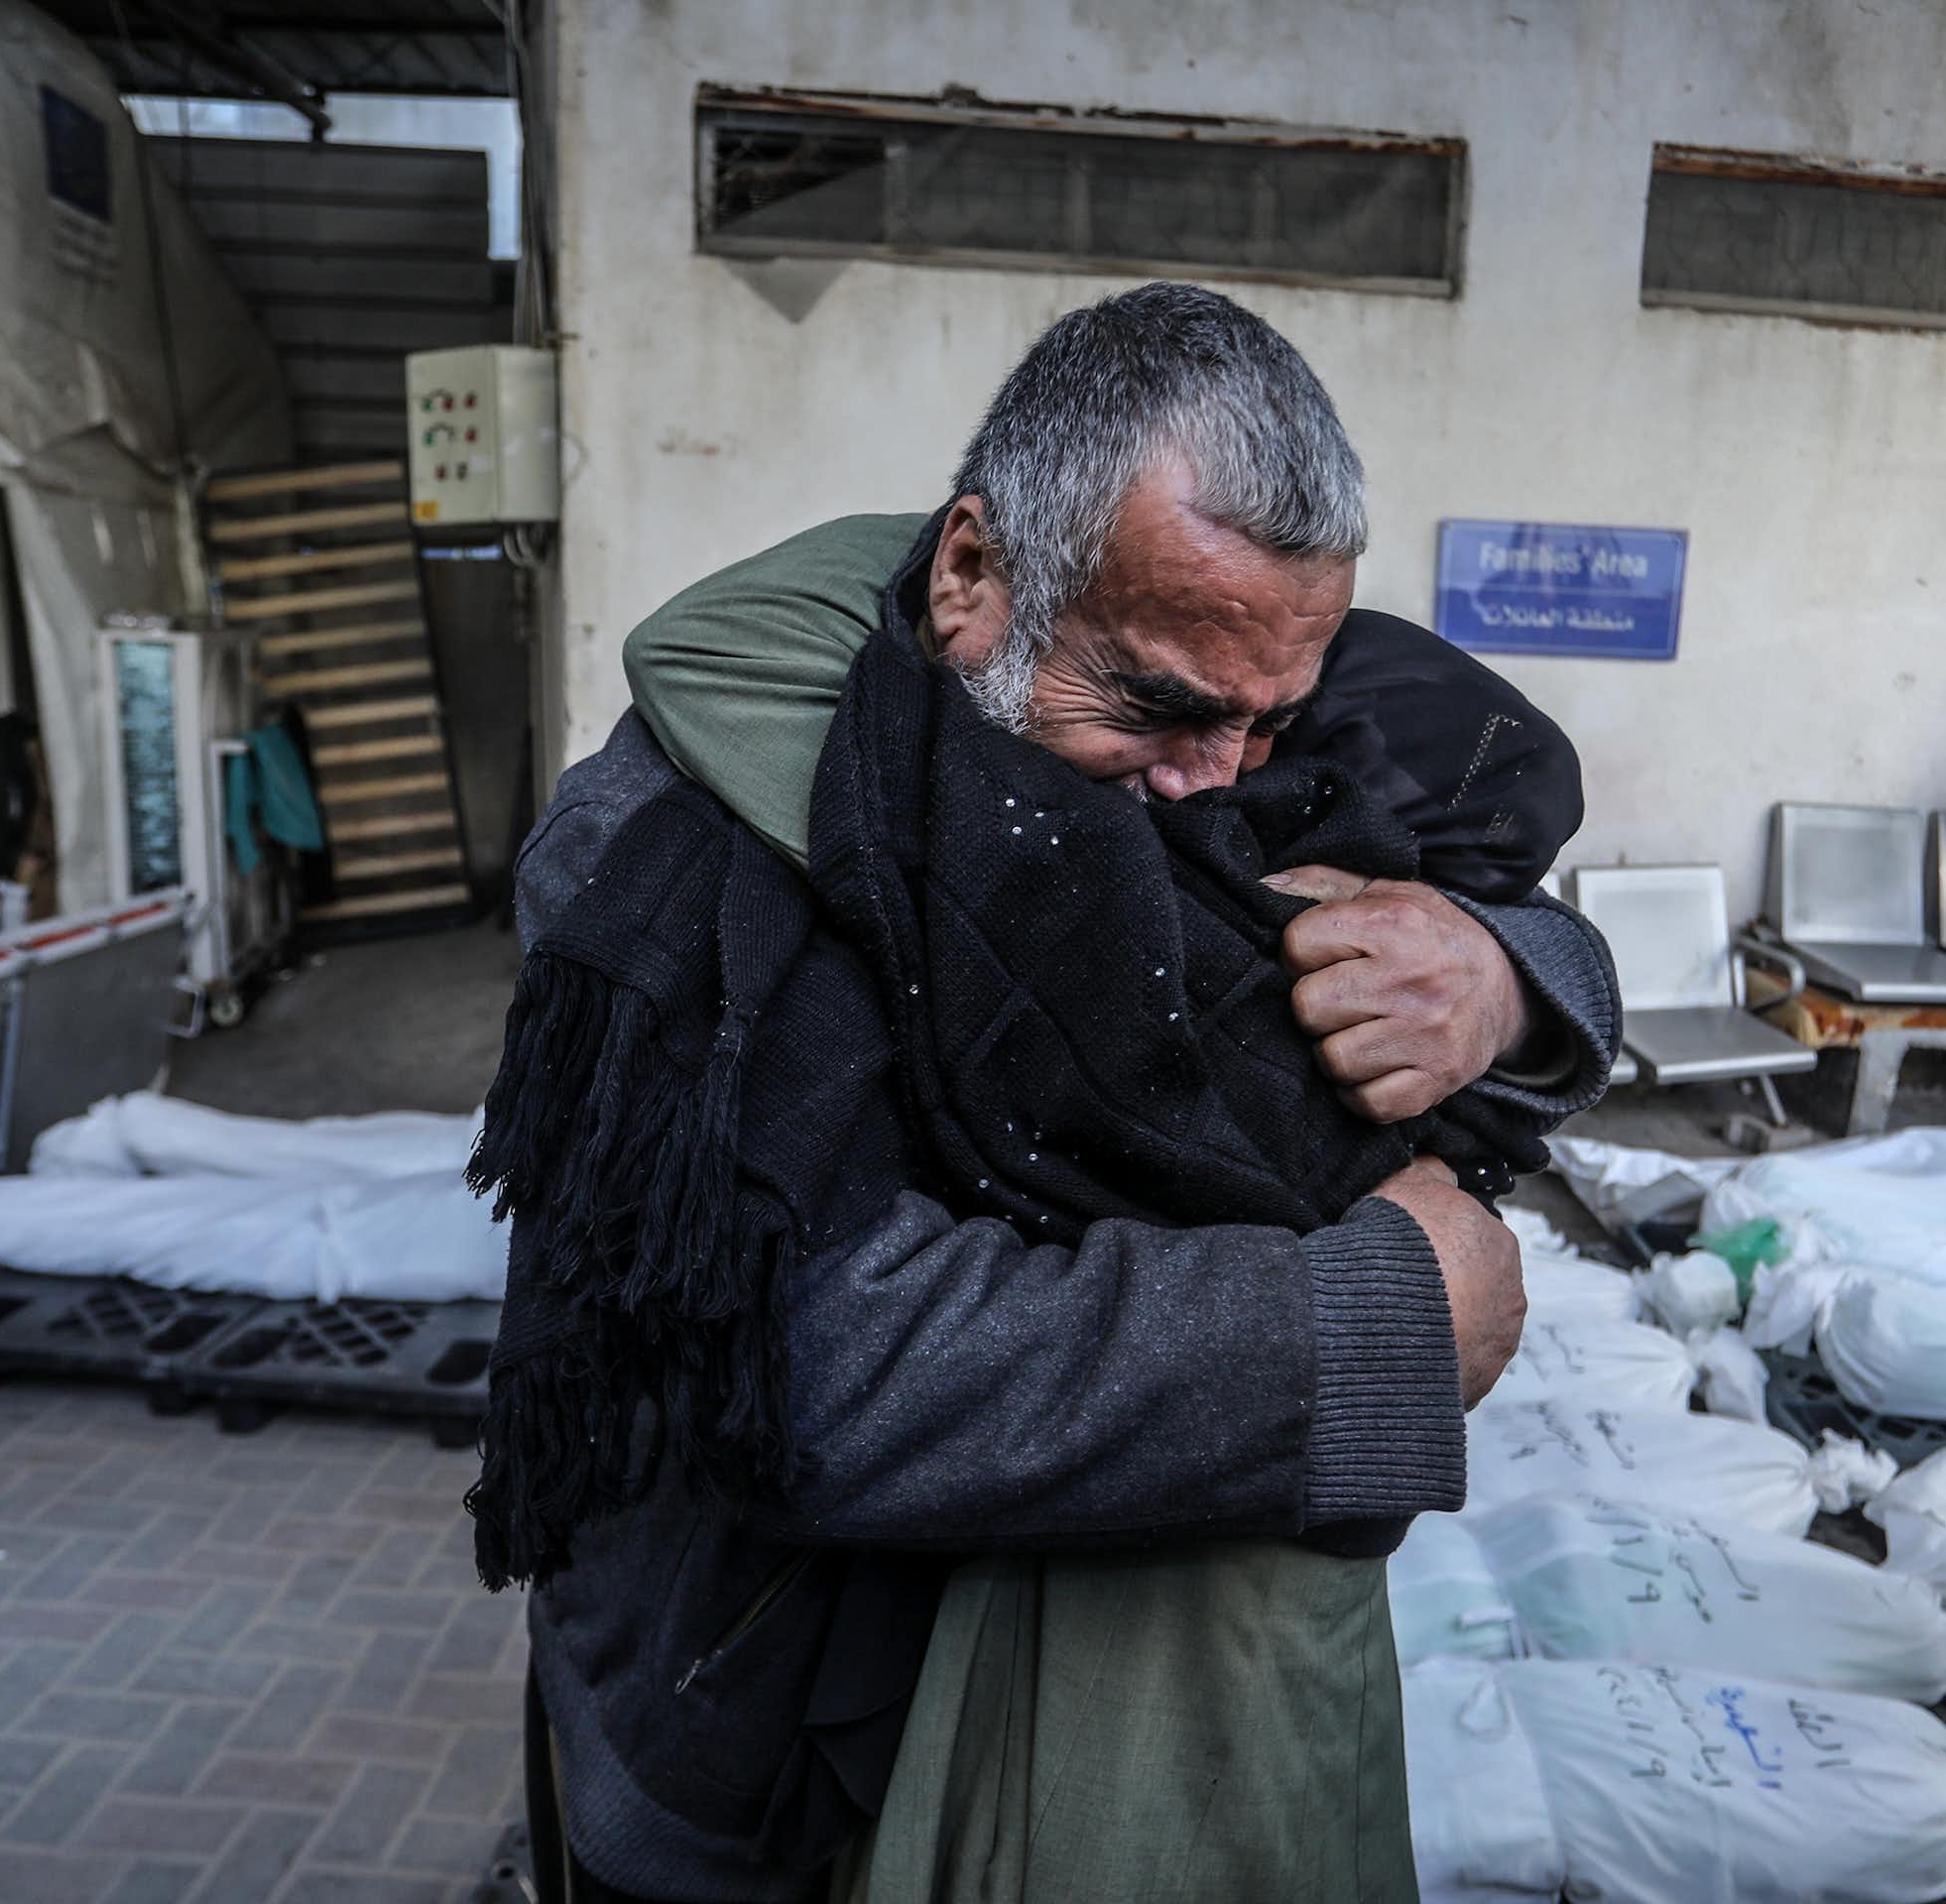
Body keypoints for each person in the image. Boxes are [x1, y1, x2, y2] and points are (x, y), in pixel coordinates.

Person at [476, 287, 1621, 1902]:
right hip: (759, 1756)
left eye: (1267, 723)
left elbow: (1514, 892)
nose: (1216, 785)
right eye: (1158, 706)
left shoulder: (1186, 688)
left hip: (1098, 1730)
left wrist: (1498, 973)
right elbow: (817, 1367)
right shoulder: (673, 851)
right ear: (969, 578)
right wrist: (1373, 1323)